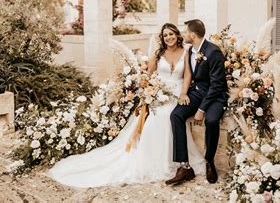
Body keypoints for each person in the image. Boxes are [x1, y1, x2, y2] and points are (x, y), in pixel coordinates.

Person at [49, 23, 204, 188]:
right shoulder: (159, 54)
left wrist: (183, 93)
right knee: (158, 118)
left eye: (171, 34)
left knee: (172, 116)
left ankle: (178, 163)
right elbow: (147, 77)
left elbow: (187, 74)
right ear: (162, 38)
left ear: (177, 35)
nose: (169, 38)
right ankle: (155, 161)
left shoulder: (186, 52)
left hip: (177, 93)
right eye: (165, 35)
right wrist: (150, 93)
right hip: (161, 93)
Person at [166, 19, 228, 186]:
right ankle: (185, 166)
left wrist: (201, 109)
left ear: (192, 35)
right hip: (197, 93)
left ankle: (209, 161)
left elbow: (217, 85)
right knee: (176, 115)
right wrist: (185, 93)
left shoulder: (213, 52)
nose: (183, 35)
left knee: (212, 120)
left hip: (215, 95)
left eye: (185, 32)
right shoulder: (189, 50)